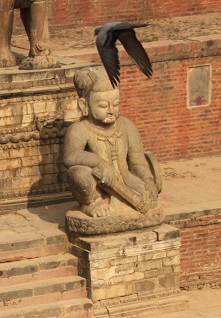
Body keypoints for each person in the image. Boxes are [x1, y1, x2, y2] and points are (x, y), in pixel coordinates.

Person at [61, 68, 160, 218]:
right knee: (78, 174)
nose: (110, 110)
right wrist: (100, 164)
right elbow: (70, 157)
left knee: (148, 199)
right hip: (97, 185)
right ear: (84, 105)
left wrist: (147, 179)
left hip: (126, 181)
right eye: (102, 106)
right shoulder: (79, 129)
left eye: (115, 103)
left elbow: (137, 160)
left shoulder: (126, 126)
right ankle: (91, 204)